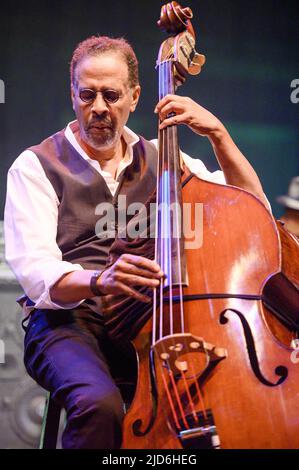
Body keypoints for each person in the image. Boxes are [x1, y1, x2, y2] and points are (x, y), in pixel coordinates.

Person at [4, 35, 270, 449]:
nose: (98, 108)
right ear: (72, 93)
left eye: (111, 96)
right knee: (98, 405)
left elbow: (252, 210)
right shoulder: (37, 164)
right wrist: (99, 280)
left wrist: (219, 136)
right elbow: (37, 272)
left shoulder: (166, 159)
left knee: (216, 401)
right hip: (68, 324)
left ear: (135, 96)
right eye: (86, 94)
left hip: (151, 324)